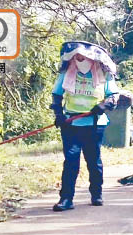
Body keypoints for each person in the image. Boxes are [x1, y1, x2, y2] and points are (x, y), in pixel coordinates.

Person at [49, 41, 119, 211]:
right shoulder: (67, 72)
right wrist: (58, 114)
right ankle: (66, 198)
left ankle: (97, 194)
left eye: (84, 57)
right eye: (77, 57)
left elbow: (113, 96)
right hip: (71, 123)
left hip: (94, 125)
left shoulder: (103, 73)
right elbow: (56, 95)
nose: (80, 59)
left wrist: (103, 106)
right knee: (71, 160)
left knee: (93, 161)